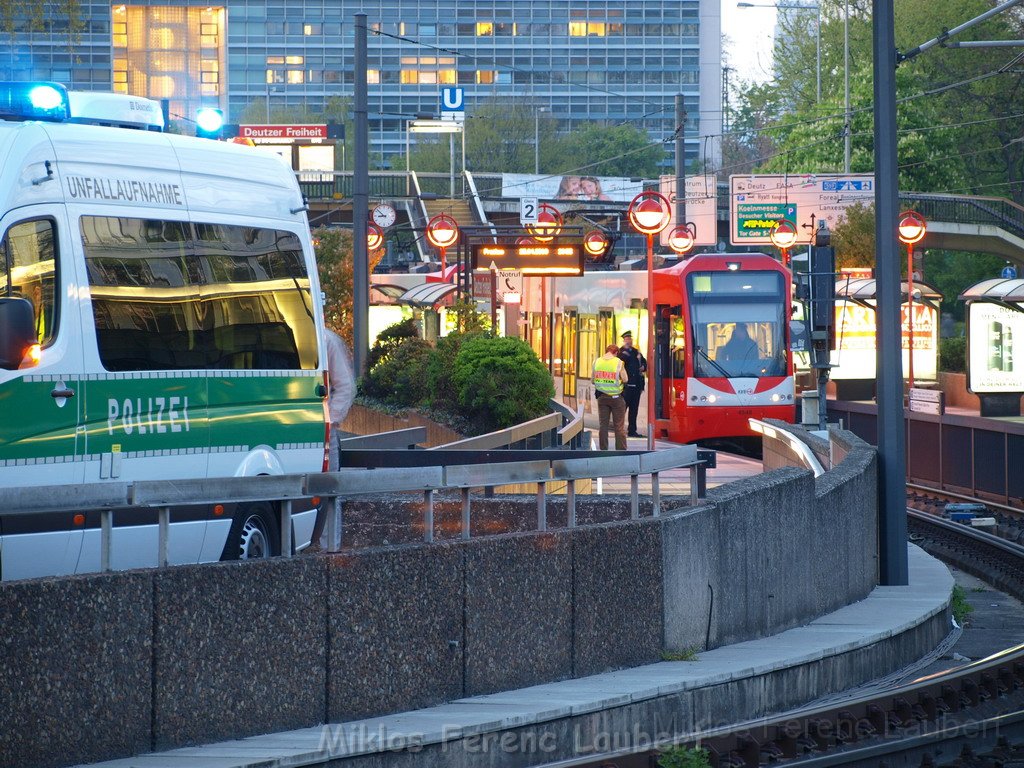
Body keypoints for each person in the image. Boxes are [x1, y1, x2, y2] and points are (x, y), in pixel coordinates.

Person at [307, 327, 355, 553]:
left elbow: (345, 386)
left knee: (329, 493)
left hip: (323, 430)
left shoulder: (325, 339)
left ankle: (330, 553)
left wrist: (329, 421)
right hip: (301, 427)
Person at [592, 343, 628, 450]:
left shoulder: (597, 361)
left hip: (602, 398)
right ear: (616, 353)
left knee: (603, 426)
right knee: (619, 427)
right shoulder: (618, 363)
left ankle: (603, 450)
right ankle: (621, 451)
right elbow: (625, 379)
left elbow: (593, 380)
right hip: (616, 398)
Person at [617, 330, 647, 438]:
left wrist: (643, 366)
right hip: (626, 387)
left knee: (634, 410)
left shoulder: (636, 352)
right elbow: (618, 366)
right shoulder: (621, 353)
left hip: (636, 386)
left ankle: (632, 430)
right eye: (627, 339)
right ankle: (619, 430)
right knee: (622, 409)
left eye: (630, 339)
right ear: (624, 341)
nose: (629, 341)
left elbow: (644, 362)